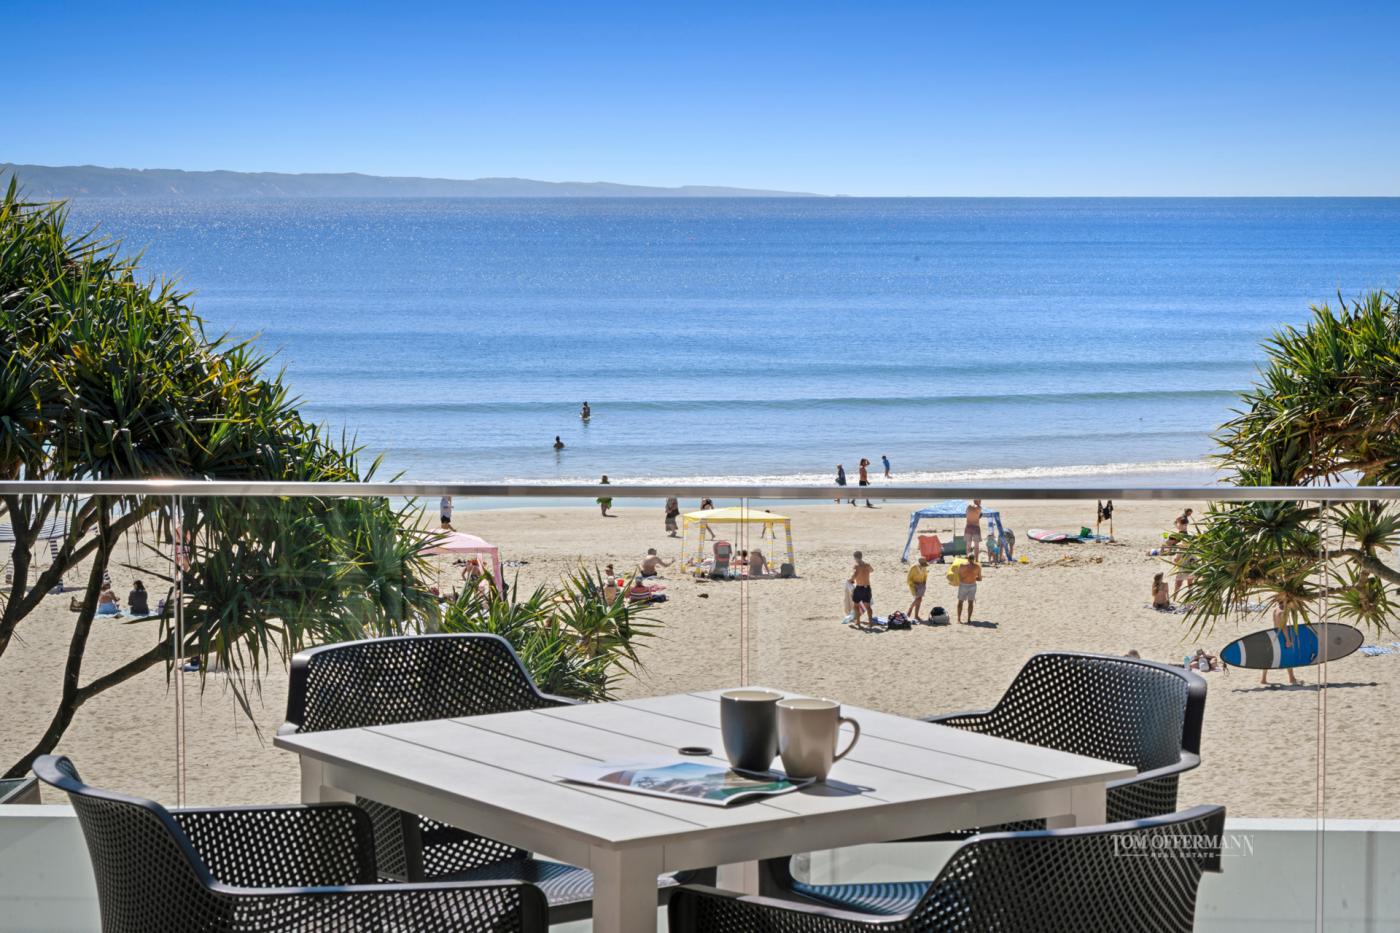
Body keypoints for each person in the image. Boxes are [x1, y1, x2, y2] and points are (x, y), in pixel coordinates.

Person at [1262, 604, 1300, 686]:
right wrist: (1287, 640)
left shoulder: (1276, 609)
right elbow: (1283, 627)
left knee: (1269, 657)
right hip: (1281, 636)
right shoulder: (1283, 612)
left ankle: (1263, 678)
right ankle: (1291, 678)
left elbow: (1275, 624)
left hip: (1275, 634)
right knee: (1288, 656)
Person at [849, 551, 874, 630]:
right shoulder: (867, 565)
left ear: (856, 558)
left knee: (856, 606)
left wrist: (850, 580)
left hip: (859, 588)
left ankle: (858, 623)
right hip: (867, 588)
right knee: (868, 606)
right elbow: (872, 570)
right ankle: (870, 623)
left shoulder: (856, 566)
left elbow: (854, 575)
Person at [956, 552, 982, 624]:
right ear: (974, 559)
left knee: (960, 602)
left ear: (967, 559)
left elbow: (958, 575)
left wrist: (964, 577)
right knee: (970, 603)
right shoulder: (977, 567)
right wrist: (973, 577)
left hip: (963, 585)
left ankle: (959, 619)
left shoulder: (962, 566)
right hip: (972, 585)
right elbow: (980, 579)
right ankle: (968, 619)